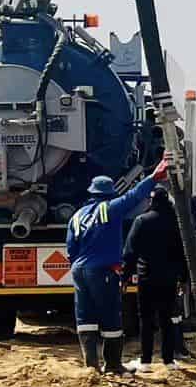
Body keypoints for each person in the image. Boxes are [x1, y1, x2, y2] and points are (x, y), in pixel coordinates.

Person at [66, 156, 169, 374]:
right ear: (110, 194)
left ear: (91, 193)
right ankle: (113, 364)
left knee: (85, 317)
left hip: (79, 270)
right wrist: (154, 177)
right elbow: (134, 196)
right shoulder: (109, 209)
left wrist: (79, 265)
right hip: (102, 270)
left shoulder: (77, 216)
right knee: (111, 315)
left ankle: (91, 366)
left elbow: (71, 249)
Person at [120, 186, 189, 368]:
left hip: (147, 278)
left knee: (146, 319)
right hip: (169, 279)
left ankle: (146, 361)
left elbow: (130, 252)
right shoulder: (176, 222)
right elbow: (183, 253)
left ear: (151, 201)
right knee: (166, 319)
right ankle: (168, 360)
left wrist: (125, 277)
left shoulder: (141, 221)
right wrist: (183, 278)